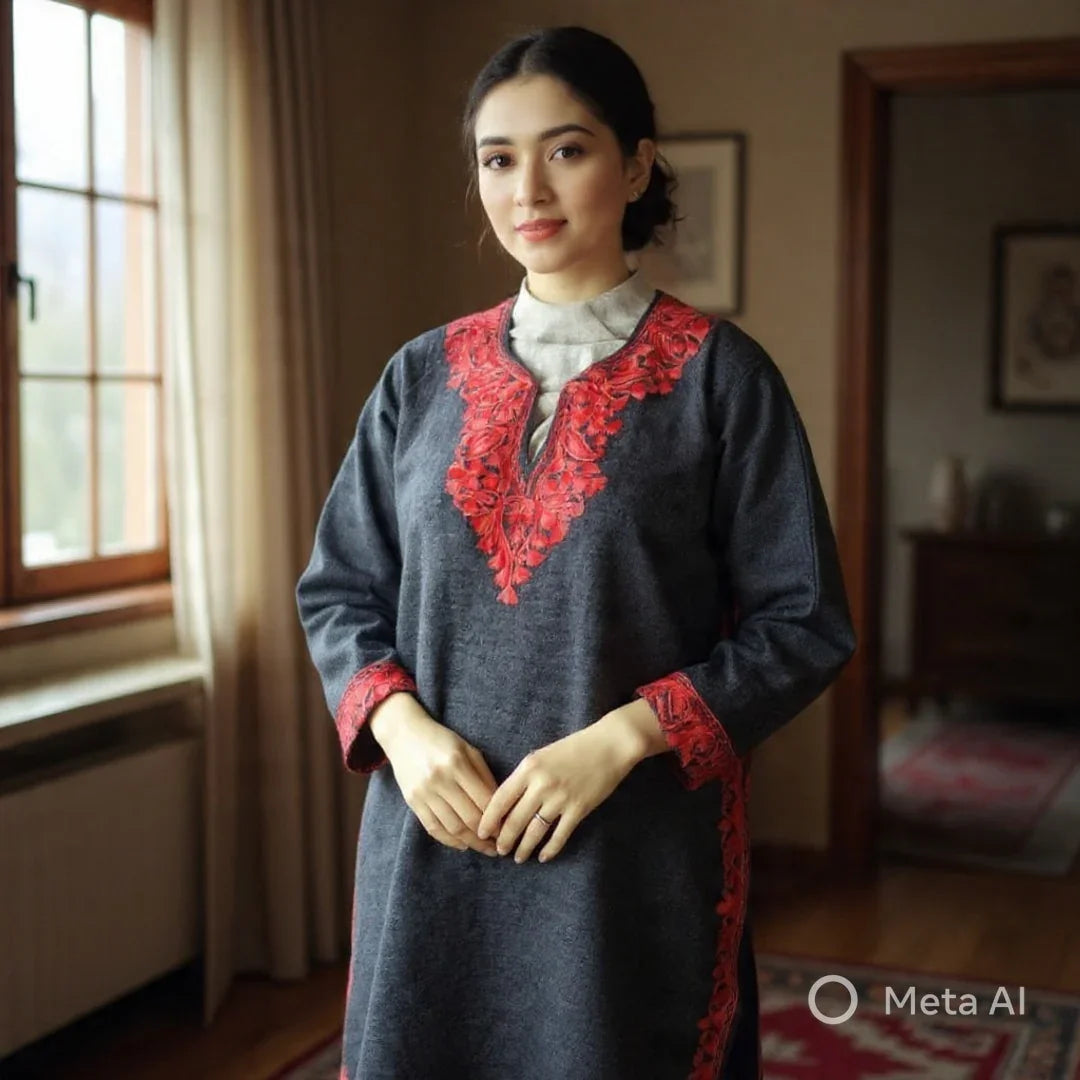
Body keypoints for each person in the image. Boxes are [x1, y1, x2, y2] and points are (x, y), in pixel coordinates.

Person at [295, 25, 856, 1080]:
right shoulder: (419, 378)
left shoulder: (722, 380)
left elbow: (805, 623)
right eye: (498, 158)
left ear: (637, 163)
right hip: (432, 848)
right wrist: (404, 733)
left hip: (628, 857)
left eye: (567, 149)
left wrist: (619, 741)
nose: (528, 189)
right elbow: (338, 589)